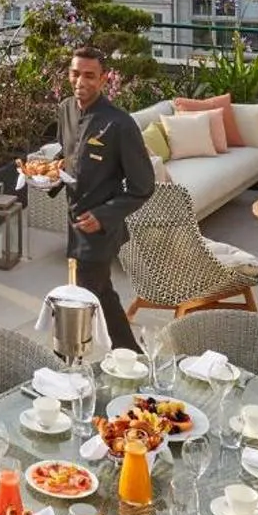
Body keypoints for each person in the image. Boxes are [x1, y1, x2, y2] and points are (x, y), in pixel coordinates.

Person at [52, 44, 153, 353]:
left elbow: (143, 185)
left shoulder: (119, 124)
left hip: (98, 229)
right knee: (102, 294)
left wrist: (104, 216)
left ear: (104, 78)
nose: (80, 81)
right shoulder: (66, 109)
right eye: (75, 73)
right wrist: (48, 176)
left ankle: (72, 359)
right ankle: (130, 356)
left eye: (89, 75)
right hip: (72, 220)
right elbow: (65, 156)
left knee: (83, 299)